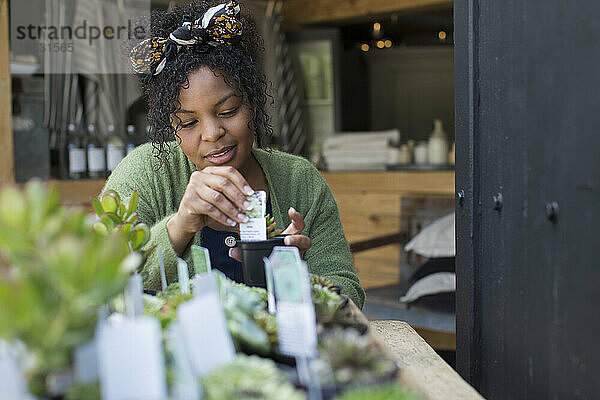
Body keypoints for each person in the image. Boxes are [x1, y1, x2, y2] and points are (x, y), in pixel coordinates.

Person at [104, 0, 365, 307]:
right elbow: (102, 284)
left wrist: (291, 273)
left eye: (227, 111)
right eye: (188, 122)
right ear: (170, 127)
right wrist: (180, 226)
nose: (212, 133)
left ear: (252, 102)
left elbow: (349, 296)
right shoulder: (144, 174)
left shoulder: (299, 181)